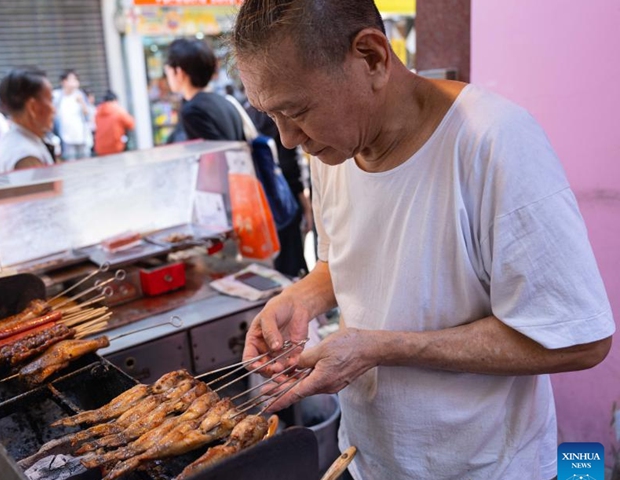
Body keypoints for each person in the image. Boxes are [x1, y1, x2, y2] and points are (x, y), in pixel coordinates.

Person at [233, 1, 614, 479]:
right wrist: (301, 297)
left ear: (371, 57)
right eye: (271, 115)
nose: (288, 139)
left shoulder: (494, 142)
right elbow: (352, 260)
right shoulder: (333, 147)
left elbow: (580, 340)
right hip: (366, 459)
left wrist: (381, 347)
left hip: (483, 468)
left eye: (297, 111)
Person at [245, 105, 311, 277]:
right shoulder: (281, 106)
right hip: (286, 196)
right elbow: (290, 160)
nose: (288, 138)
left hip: (265, 199)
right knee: (293, 258)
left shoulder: (249, 112)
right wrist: (305, 202)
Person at [165, 38, 245, 142]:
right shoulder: (225, 101)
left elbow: (209, 155)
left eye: (167, 70)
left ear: (179, 72)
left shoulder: (193, 112)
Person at [0, 67, 57, 174]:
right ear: (33, 107)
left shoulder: (19, 142)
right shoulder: (26, 156)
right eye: (50, 100)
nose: (54, 109)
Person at [52, 69, 94, 161]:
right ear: (64, 81)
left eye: (76, 79)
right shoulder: (57, 96)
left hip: (82, 136)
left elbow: (88, 115)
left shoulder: (80, 95)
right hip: (66, 137)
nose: (75, 82)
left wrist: (82, 102)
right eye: (72, 79)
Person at [94, 90, 135, 156]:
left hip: (100, 148)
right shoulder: (118, 110)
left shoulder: (97, 112)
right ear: (115, 100)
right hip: (116, 147)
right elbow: (131, 124)